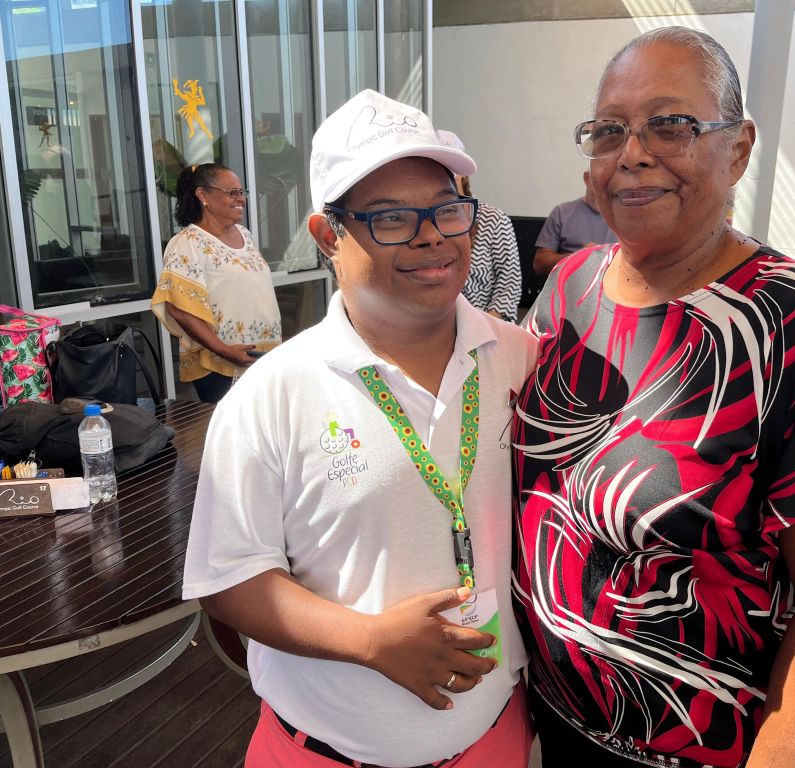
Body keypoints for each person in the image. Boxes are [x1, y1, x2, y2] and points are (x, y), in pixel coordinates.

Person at [513, 26, 795, 768]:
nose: (634, 152)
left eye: (671, 124)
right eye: (609, 131)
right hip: (553, 723)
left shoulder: (793, 321)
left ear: (738, 148)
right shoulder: (570, 286)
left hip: (707, 750)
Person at [183, 89, 537, 768]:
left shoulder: (522, 359)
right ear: (327, 236)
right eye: (393, 218)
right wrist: (370, 641)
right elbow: (230, 577)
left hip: (494, 739)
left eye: (447, 209)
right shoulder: (273, 392)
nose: (433, 235)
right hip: (321, 753)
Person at [151, 163, 281, 403]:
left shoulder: (245, 235)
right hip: (222, 363)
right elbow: (177, 308)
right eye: (232, 192)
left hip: (261, 358)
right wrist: (223, 350)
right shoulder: (187, 243)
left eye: (242, 192)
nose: (240, 198)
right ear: (203, 195)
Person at [436, 130, 521, 322]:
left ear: (463, 175)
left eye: (450, 170)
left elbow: (509, 283)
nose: (443, 176)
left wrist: (481, 329)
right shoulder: (422, 223)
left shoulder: (493, 219)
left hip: (487, 329)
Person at [532, 170, 615, 276]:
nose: (604, 186)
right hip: (569, 289)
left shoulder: (627, 217)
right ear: (587, 177)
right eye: (600, 178)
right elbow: (539, 264)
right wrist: (578, 257)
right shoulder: (562, 213)